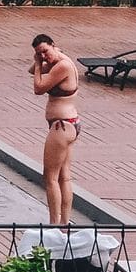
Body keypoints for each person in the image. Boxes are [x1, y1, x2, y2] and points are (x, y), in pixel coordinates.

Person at [31, 33, 81, 225]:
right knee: (64, 177)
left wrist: (38, 65)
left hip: (62, 126)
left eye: (45, 51)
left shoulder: (62, 66)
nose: (43, 56)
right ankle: (64, 224)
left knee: (50, 178)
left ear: (54, 44)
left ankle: (55, 224)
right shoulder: (59, 60)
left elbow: (38, 88)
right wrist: (43, 58)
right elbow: (31, 70)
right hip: (68, 124)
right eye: (39, 53)